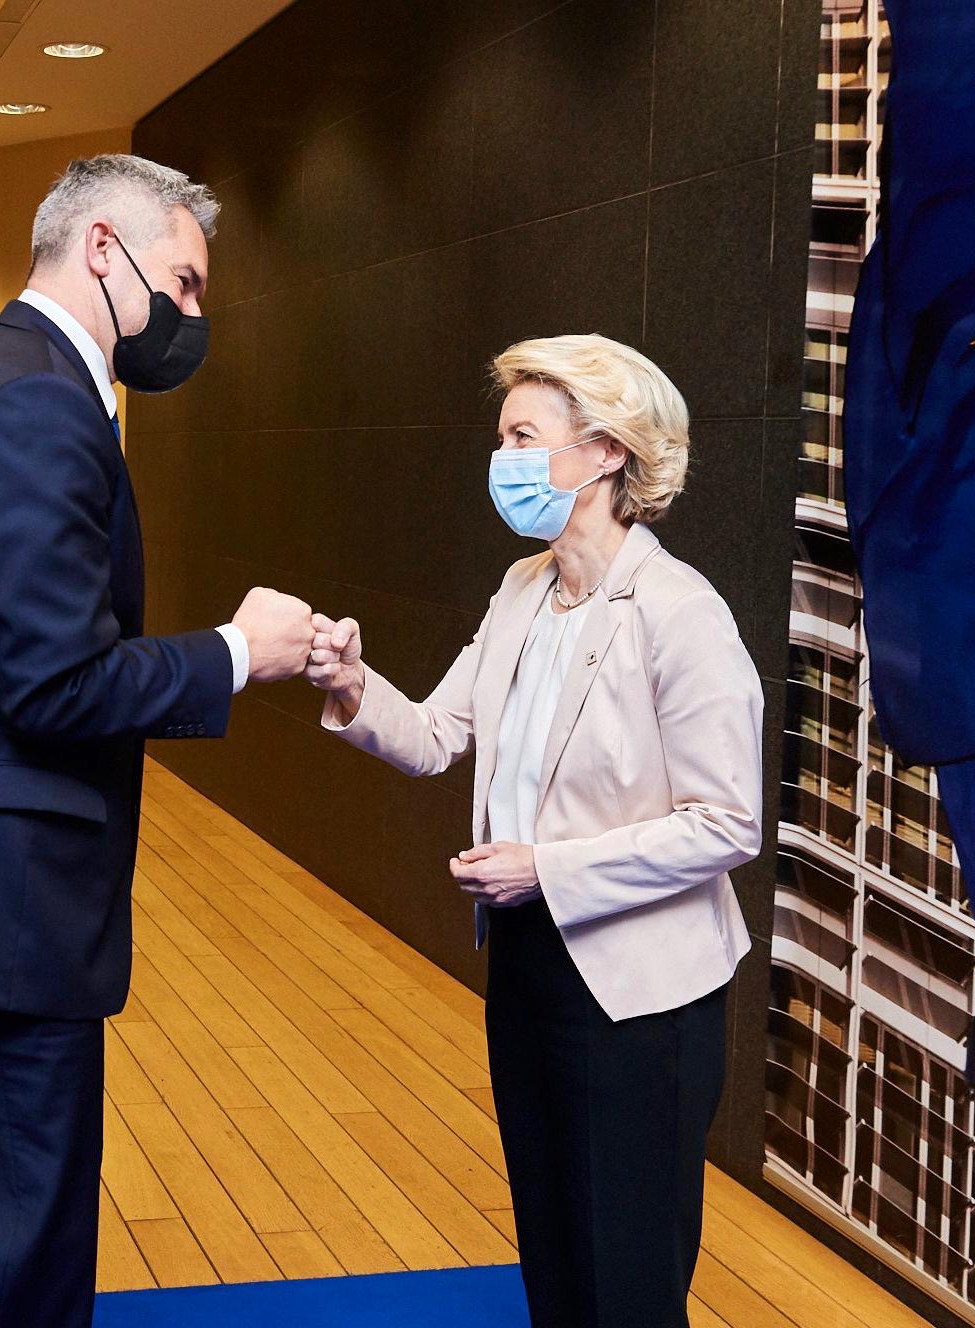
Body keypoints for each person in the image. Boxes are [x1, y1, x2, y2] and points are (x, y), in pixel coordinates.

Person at [0, 154, 314, 1328]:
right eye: (184, 284)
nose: (193, 316)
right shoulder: (36, 402)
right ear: (102, 247)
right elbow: (54, 684)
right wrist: (238, 650)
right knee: (24, 1254)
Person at [304, 334, 763, 1328]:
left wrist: (545, 869)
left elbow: (727, 823)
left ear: (605, 450)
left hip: (640, 995)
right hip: (526, 962)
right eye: (502, 436)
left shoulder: (681, 612)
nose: (501, 458)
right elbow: (436, 734)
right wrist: (349, 682)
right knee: (554, 1257)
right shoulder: (522, 588)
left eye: (522, 436)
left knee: (625, 1282)